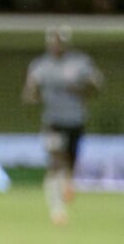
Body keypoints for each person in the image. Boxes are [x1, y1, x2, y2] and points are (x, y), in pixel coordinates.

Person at [23, 25, 103, 225]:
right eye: (53, 41)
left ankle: (67, 182)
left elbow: (96, 86)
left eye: (60, 41)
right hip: (53, 121)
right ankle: (57, 210)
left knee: (69, 164)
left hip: (75, 120)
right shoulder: (40, 65)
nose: (56, 45)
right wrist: (34, 94)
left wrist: (80, 88)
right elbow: (29, 92)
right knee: (56, 162)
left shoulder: (80, 63)